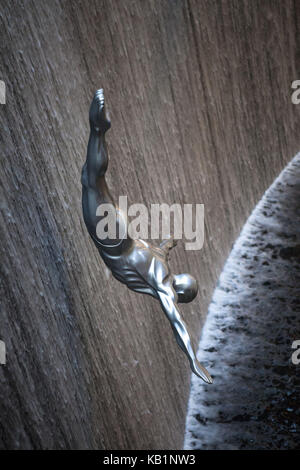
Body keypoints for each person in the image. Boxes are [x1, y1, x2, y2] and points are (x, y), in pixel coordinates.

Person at [81, 89, 212, 383]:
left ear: (182, 283)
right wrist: (193, 360)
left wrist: (174, 238)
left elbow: (167, 245)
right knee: (91, 181)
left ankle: (99, 130)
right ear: (180, 292)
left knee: (93, 179)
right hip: (114, 242)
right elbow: (177, 322)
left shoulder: (163, 268)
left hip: (122, 232)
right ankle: (98, 128)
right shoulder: (163, 279)